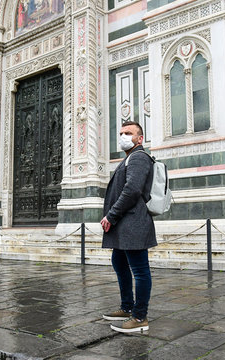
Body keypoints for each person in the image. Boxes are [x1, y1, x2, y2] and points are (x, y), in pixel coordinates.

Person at [101, 121, 157, 333]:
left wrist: (111, 215)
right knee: (119, 262)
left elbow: (132, 190)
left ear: (139, 138)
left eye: (129, 133)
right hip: (126, 223)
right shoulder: (130, 158)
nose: (123, 136)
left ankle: (140, 317)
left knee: (140, 270)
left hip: (133, 222)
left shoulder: (139, 157)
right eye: (121, 132)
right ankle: (127, 307)